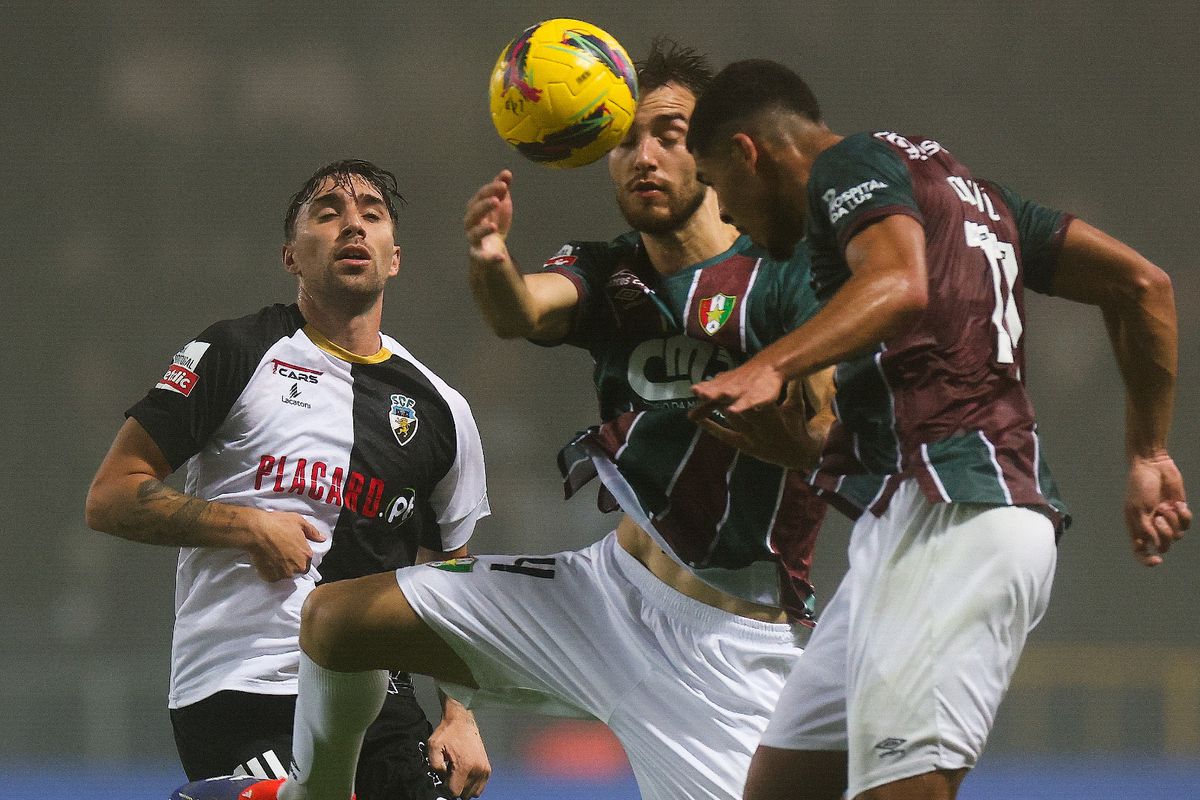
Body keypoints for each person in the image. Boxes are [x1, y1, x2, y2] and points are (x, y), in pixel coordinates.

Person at [180, 41, 834, 800]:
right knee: (335, 620)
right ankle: (311, 796)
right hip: (602, 594)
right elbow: (523, 309)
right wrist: (490, 258)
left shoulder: (788, 277)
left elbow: (832, 426)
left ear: (721, 153)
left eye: (669, 135)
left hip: (727, 646)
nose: (642, 156)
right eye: (624, 140)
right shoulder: (611, 272)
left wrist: (807, 441)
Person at [683, 59, 1192, 800]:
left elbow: (898, 284)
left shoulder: (845, 166)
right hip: (909, 517)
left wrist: (773, 365)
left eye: (713, 182)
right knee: (783, 787)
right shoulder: (973, 196)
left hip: (961, 520)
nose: (724, 213)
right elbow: (1142, 286)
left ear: (745, 152)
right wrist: (1147, 452)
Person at [85, 160, 493, 800]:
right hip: (245, 684)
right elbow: (110, 496)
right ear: (290, 256)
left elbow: (451, 570)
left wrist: (459, 712)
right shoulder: (236, 352)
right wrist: (244, 525)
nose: (352, 224)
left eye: (372, 215)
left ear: (394, 259)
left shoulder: (443, 408)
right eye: (328, 213)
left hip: (382, 702)